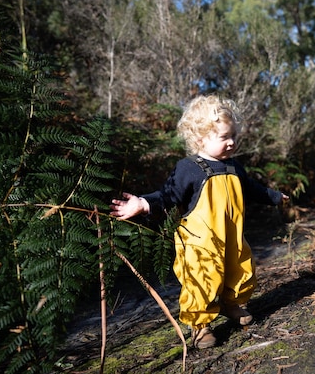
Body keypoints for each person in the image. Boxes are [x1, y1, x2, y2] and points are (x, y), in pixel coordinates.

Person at [109, 95, 288, 349]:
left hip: (231, 236)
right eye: (224, 137)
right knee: (201, 280)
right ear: (200, 139)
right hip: (199, 243)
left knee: (239, 268)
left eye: (234, 136)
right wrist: (143, 203)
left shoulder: (235, 168)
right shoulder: (189, 168)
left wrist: (273, 196)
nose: (232, 142)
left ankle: (231, 304)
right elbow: (168, 195)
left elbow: (252, 189)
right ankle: (200, 325)